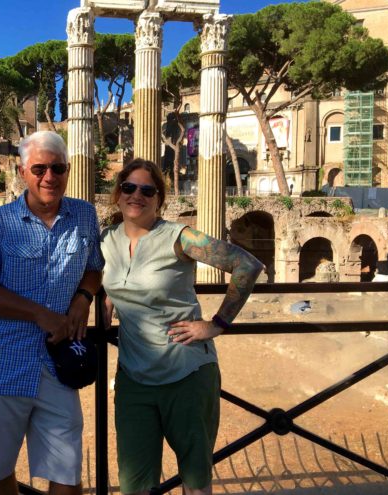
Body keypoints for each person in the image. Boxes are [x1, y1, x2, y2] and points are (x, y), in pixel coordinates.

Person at [101, 159, 264, 495]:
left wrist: (215, 324)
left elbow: (246, 264)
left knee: (195, 479)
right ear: (118, 193)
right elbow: (108, 290)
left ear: (159, 198)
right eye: (129, 187)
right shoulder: (106, 240)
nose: (137, 196)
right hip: (133, 379)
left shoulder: (180, 237)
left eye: (148, 190)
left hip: (188, 375)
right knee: (134, 484)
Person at [0, 131, 104, 495]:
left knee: (67, 473)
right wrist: (42, 315)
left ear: (68, 171)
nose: (49, 177)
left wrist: (84, 298)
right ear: (23, 172)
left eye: (57, 168)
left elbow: (94, 266)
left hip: (57, 365)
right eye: (39, 168)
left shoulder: (85, 216)